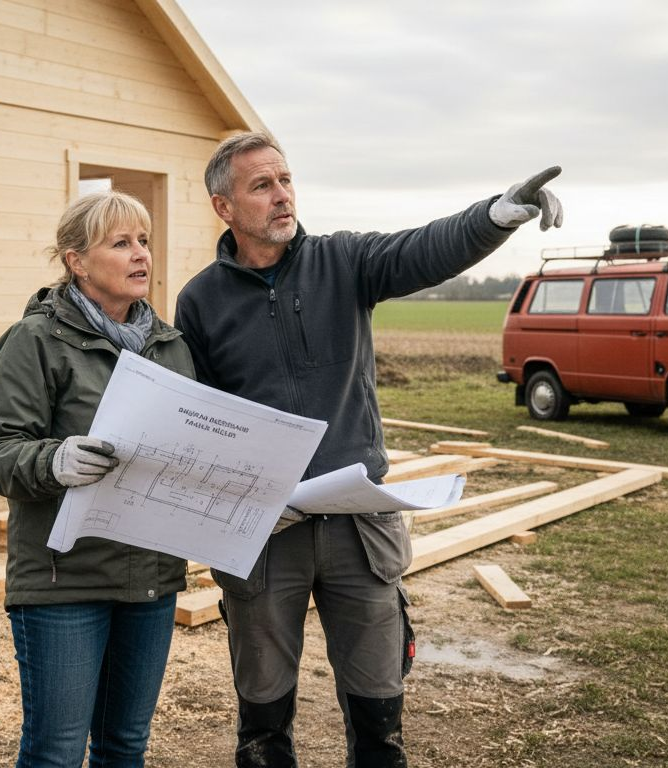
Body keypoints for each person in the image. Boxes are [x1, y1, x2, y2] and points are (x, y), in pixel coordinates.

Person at [173, 131, 562, 767]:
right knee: (262, 722)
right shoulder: (200, 301)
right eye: (262, 185)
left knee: (379, 714)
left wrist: (496, 215)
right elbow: (202, 418)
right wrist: (243, 497)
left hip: (359, 523)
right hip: (266, 531)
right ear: (224, 207)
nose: (282, 195)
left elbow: (424, 249)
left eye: (285, 179)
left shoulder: (343, 261)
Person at [0, 190, 194, 768]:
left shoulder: (170, 347)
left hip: (150, 579)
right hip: (63, 581)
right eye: (121, 243)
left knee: (125, 747)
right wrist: (54, 461)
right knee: (56, 752)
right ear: (77, 261)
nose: (141, 254)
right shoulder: (35, 341)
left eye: (143, 240)